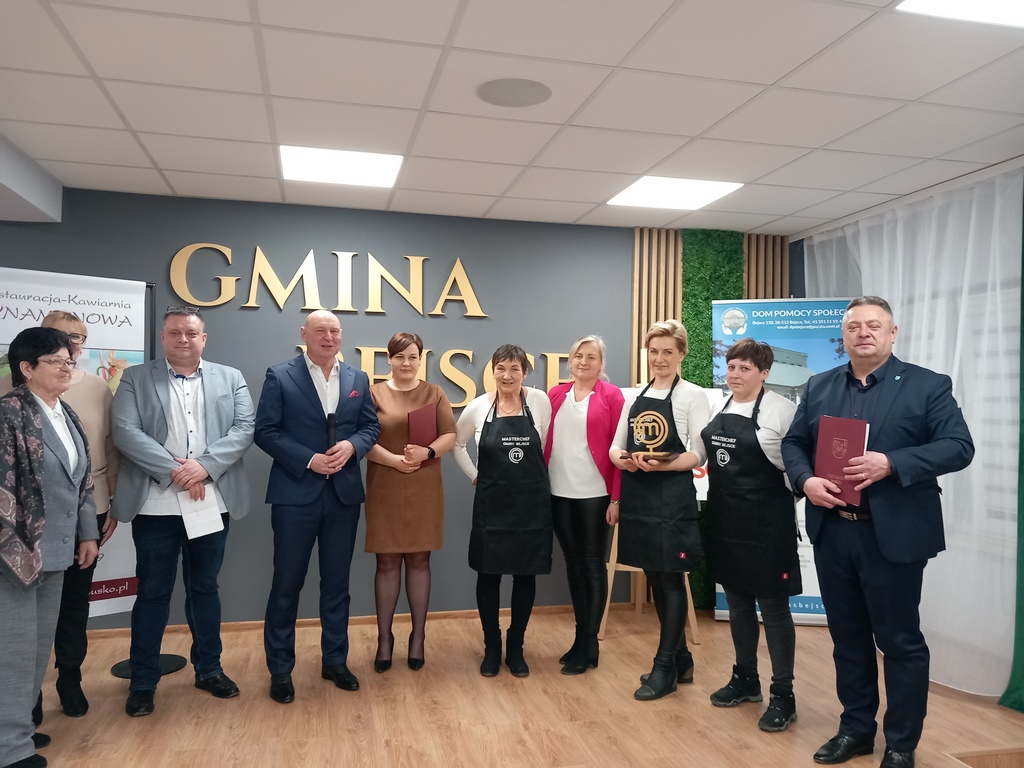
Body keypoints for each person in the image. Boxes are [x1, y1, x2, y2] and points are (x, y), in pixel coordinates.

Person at [781, 296, 974, 768]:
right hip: (834, 531)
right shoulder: (819, 385)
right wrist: (805, 480)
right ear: (843, 336)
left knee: (900, 642)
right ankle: (855, 730)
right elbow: (794, 443)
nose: (863, 332)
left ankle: (902, 743)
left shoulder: (927, 385)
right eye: (854, 326)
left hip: (893, 536)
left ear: (892, 333)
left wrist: (892, 462)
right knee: (847, 639)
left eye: (873, 325)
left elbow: (958, 446)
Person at [111, 306, 254, 718]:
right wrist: (177, 471)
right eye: (175, 333)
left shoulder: (231, 377)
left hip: (210, 499)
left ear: (203, 338)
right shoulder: (135, 378)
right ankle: (143, 681)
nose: (183, 339)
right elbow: (126, 432)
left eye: (191, 333)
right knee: (153, 592)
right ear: (163, 337)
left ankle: (209, 669)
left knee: (205, 588)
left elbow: (244, 428)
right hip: (155, 504)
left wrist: (203, 467)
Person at [255, 310, 380, 704]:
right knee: (286, 585)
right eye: (320, 330)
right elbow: (265, 432)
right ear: (304, 334)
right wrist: (309, 459)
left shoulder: (357, 378)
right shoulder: (280, 375)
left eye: (335, 331)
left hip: (343, 496)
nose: (328, 337)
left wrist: (353, 446)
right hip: (295, 495)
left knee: (337, 584)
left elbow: (371, 427)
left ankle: (335, 661)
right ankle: (280, 669)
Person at [0, 312, 118, 719]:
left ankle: (26, 724)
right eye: (56, 360)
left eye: (69, 358)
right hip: (20, 548)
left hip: (64, 542)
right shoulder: (9, 412)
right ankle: (15, 731)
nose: (68, 366)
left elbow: (79, 480)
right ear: (27, 367)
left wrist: (88, 535)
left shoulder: (64, 412)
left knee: (46, 634)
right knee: (17, 644)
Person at [701, 338, 801, 732]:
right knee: (738, 603)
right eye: (731, 367)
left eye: (744, 368)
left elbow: (799, 469)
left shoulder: (782, 411)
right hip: (726, 522)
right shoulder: (719, 406)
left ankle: (783, 694)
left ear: (764, 373)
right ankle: (745, 679)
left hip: (767, 527)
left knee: (774, 609)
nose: (735, 374)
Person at [609, 319, 710, 701]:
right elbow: (615, 446)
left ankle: (664, 666)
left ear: (681, 354)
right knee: (654, 574)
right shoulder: (634, 395)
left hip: (671, 498)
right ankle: (682, 659)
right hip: (639, 494)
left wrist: (660, 465)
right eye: (654, 351)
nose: (660, 358)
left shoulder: (693, 396)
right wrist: (626, 460)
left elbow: (698, 454)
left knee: (670, 578)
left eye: (668, 351)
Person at [453, 344, 552, 678]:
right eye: (500, 368)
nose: (507, 376)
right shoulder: (478, 406)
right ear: (492, 371)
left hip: (530, 504)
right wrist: (475, 475)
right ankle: (492, 646)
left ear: (525, 372)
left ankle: (516, 646)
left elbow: (543, 444)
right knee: (488, 574)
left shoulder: (539, 401)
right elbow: (457, 444)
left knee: (525, 575)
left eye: (514, 369)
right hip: (492, 505)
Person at [364, 332, 456, 672]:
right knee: (386, 563)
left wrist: (428, 452)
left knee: (419, 561)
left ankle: (418, 637)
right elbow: (362, 438)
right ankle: (384, 640)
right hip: (385, 484)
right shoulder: (373, 393)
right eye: (400, 356)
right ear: (388, 359)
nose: (406, 362)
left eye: (413, 356)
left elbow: (450, 434)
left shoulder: (434, 393)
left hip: (424, 485)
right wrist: (393, 460)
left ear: (421, 359)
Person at [543, 335, 623, 675]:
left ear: (601, 364)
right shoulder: (555, 394)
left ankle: (590, 642)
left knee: (592, 565)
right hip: (558, 491)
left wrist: (617, 498)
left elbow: (620, 448)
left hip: (596, 494)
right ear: (570, 360)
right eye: (578, 356)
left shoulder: (612, 396)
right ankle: (580, 640)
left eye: (591, 357)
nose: (583, 362)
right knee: (573, 565)